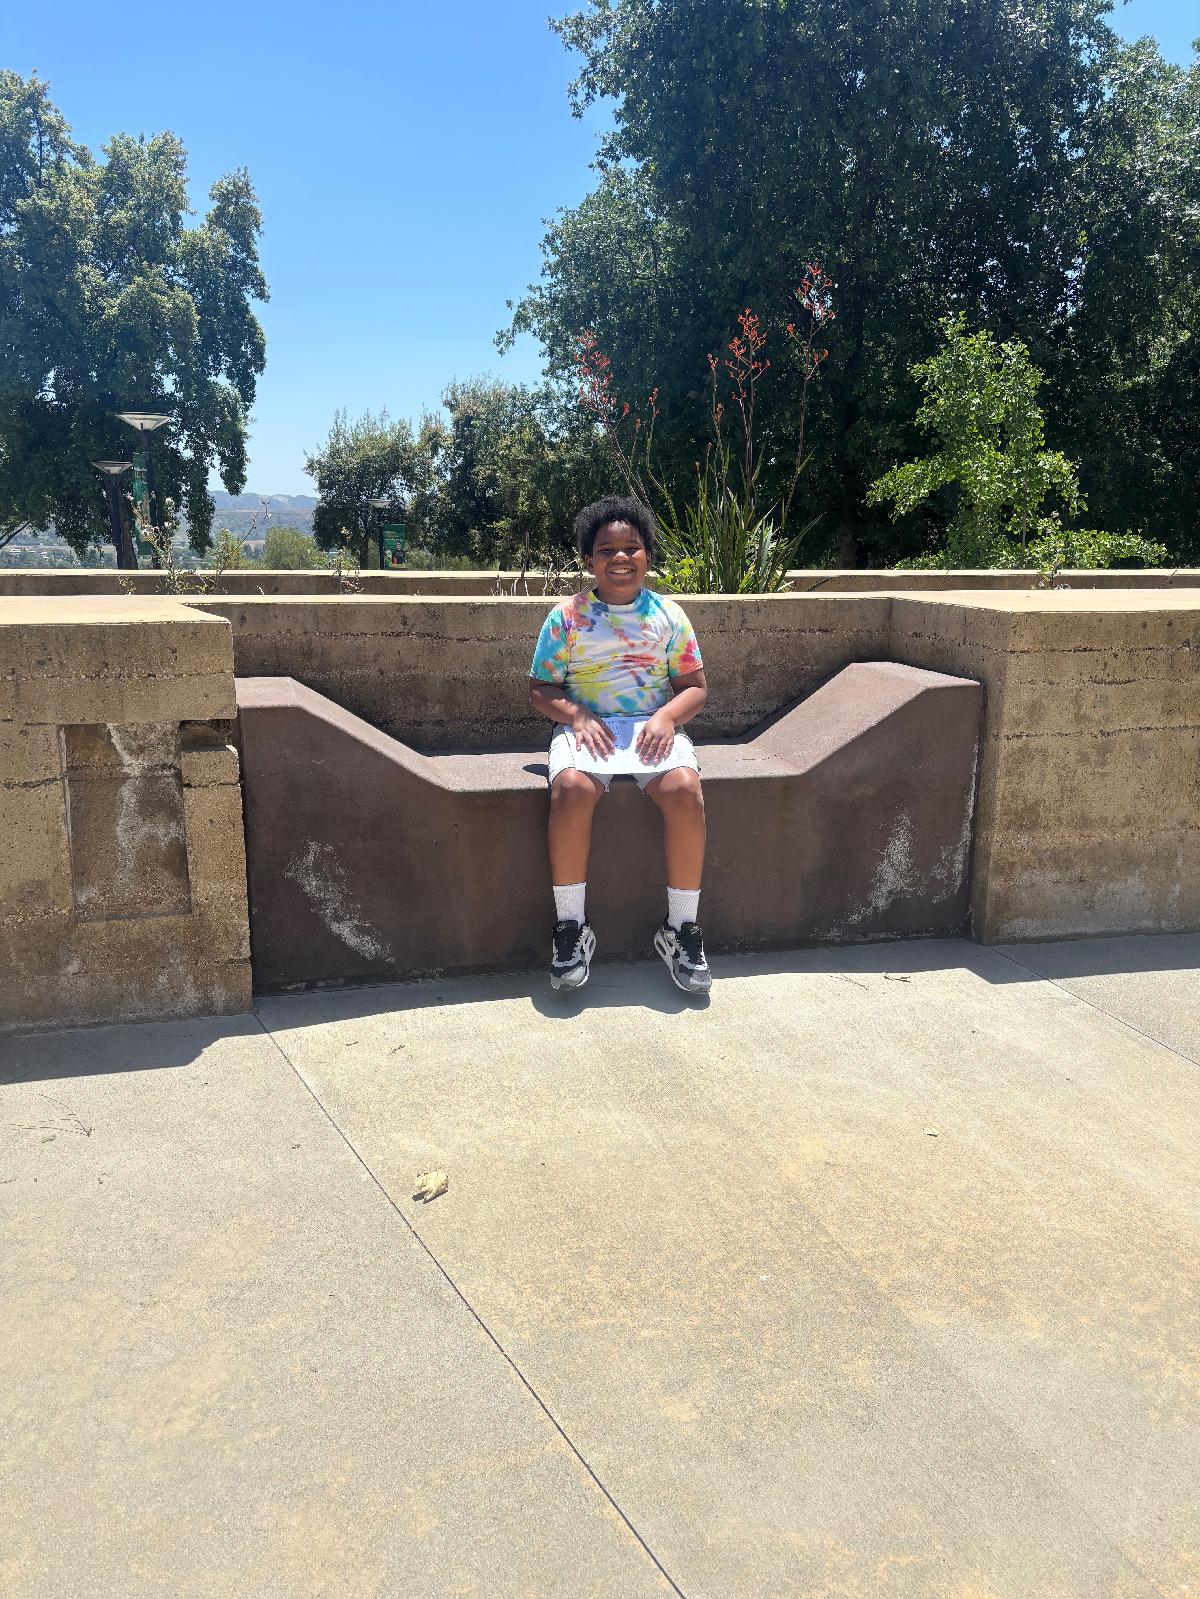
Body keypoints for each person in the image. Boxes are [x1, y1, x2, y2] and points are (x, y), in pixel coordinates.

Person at [528, 495, 712, 995]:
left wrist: (667, 717)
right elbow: (541, 688)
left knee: (684, 790)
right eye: (607, 550)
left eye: (631, 548)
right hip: (587, 729)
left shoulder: (669, 615)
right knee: (572, 790)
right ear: (589, 560)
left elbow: (694, 688)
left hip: (651, 729)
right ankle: (571, 928)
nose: (620, 558)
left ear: (647, 556)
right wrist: (577, 716)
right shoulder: (566, 617)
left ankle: (681, 929)